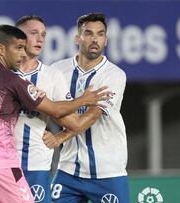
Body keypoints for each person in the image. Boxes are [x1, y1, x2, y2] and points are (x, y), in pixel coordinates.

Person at [0, 24, 108, 203]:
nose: (39, 40)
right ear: (1, 48)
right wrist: (84, 100)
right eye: (19, 46)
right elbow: (55, 109)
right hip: (0, 163)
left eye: (43, 34)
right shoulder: (12, 79)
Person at [48, 12, 130, 202]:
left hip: (108, 171)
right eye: (89, 33)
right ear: (78, 38)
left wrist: (61, 136)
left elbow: (91, 117)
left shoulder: (114, 75)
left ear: (106, 40)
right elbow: (48, 107)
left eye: (100, 34)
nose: (95, 39)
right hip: (68, 169)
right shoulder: (57, 70)